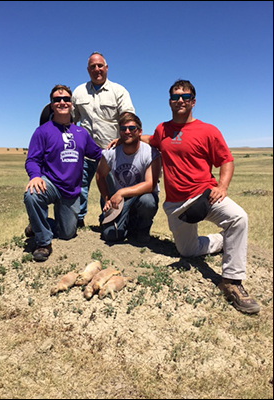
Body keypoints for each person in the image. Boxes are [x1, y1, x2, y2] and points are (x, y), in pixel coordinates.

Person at [140, 79, 260, 314]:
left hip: (205, 196)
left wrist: (222, 186)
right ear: (169, 102)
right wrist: (128, 137)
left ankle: (232, 282)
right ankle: (224, 242)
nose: (180, 101)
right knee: (188, 251)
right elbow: (151, 140)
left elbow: (226, 160)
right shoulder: (162, 129)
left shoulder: (208, 131)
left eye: (185, 97)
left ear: (193, 101)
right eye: (175, 97)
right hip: (176, 205)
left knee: (238, 218)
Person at [24, 84, 102, 261]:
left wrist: (116, 151)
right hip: (50, 183)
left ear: (71, 103)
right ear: (51, 105)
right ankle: (43, 242)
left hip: (71, 191)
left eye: (66, 99)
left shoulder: (81, 133)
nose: (62, 102)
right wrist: (35, 176)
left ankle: (38, 225)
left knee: (67, 234)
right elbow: (32, 160)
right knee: (32, 195)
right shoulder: (42, 131)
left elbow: (97, 153)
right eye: (57, 100)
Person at [72, 52, 135, 228]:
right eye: (93, 66)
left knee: (109, 190)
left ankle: (108, 221)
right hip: (84, 152)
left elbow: (128, 117)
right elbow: (71, 121)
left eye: (100, 65)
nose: (97, 69)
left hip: (111, 152)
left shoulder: (118, 91)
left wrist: (121, 140)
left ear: (106, 68)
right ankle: (77, 220)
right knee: (79, 187)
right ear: (87, 70)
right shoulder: (78, 92)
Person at [96, 112, 161, 244]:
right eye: (123, 129)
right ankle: (123, 224)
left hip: (141, 197)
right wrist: (107, 199)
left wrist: (121, 192)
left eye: (132, 128)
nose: (127, 132)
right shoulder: (111, 153)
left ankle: (142, 229)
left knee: (148, 200)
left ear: (139, 131)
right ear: (119, 132)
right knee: (110, 236)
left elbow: (150, 185)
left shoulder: (150, 152)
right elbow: (100, 175)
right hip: (121, 201)